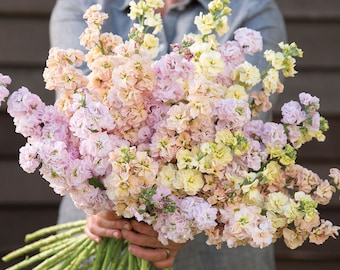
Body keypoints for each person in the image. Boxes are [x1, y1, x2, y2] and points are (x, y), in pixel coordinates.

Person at [50, 0, 286, 269]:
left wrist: (178, 226)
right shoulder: (83, 6)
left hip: (213, 249)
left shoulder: (252, 10)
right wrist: (107, 203)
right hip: (98, 229)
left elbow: (238, 128)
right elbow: (75, 113)